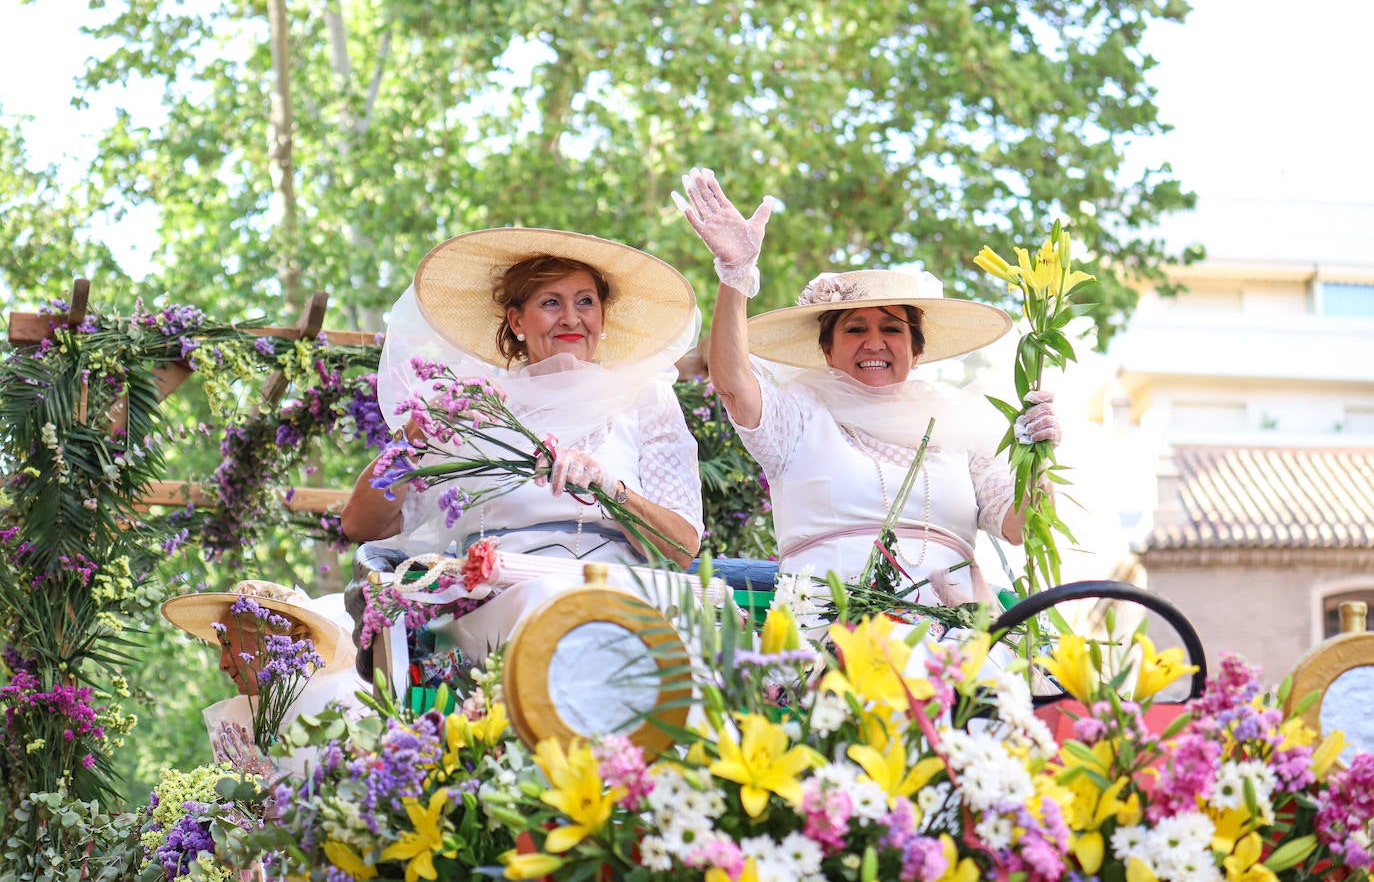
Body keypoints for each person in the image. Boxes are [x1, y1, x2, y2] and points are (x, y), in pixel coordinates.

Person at [674, 168, 1061, 612]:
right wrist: (735, 275)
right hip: (827, 636)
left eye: (892, 329)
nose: (874, 343)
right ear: (826, 348)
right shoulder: (799, 415)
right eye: (855, 328)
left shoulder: (957, 424)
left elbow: (1021, 528)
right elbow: (732, 383)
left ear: (916, 350)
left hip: (959, 641)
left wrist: (1039, 458)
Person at [340, 227, 705, 659]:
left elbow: (682, 549)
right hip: (500, 601)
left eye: (585, 301)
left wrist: (611, 490)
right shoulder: (473, 407)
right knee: (550, 601)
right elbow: (364, 525)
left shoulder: (646, 398)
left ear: (603, 317)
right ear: (516, 321)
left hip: (625, 599)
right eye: (551, 302)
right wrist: (415, 437)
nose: (572, 317)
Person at [161, 579, 371, 778]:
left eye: (226, 644)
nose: (222, 664)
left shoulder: (336, 701)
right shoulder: (237, 720)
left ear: (267, 641)